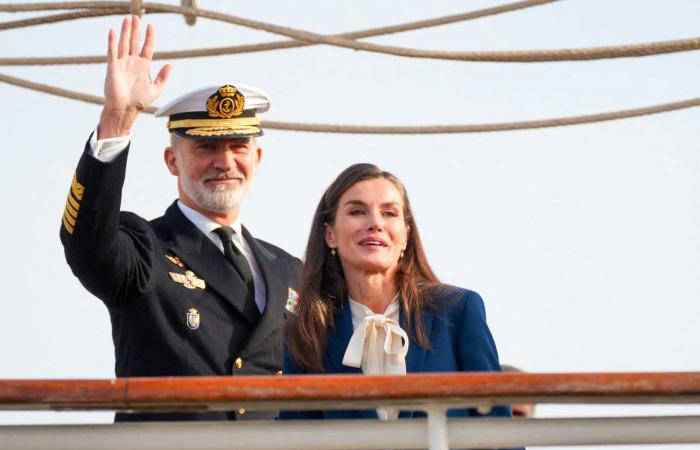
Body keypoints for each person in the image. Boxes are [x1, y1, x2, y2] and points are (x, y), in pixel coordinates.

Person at [59, 16, 300, 422]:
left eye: (238, 145)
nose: (225, 161)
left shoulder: (291, 271)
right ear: (173, 161)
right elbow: (86, 241)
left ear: (256, 159)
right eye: (206, 147)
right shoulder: (144, 247)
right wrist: (117, 121)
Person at [281, 163, 511, 420]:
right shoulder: (306, 333)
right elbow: (298, 437)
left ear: (405, 236)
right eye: (357, 211)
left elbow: (497, 427)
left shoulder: (459, 310)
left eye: (389, 213)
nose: (375, 223)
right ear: (330, 234)